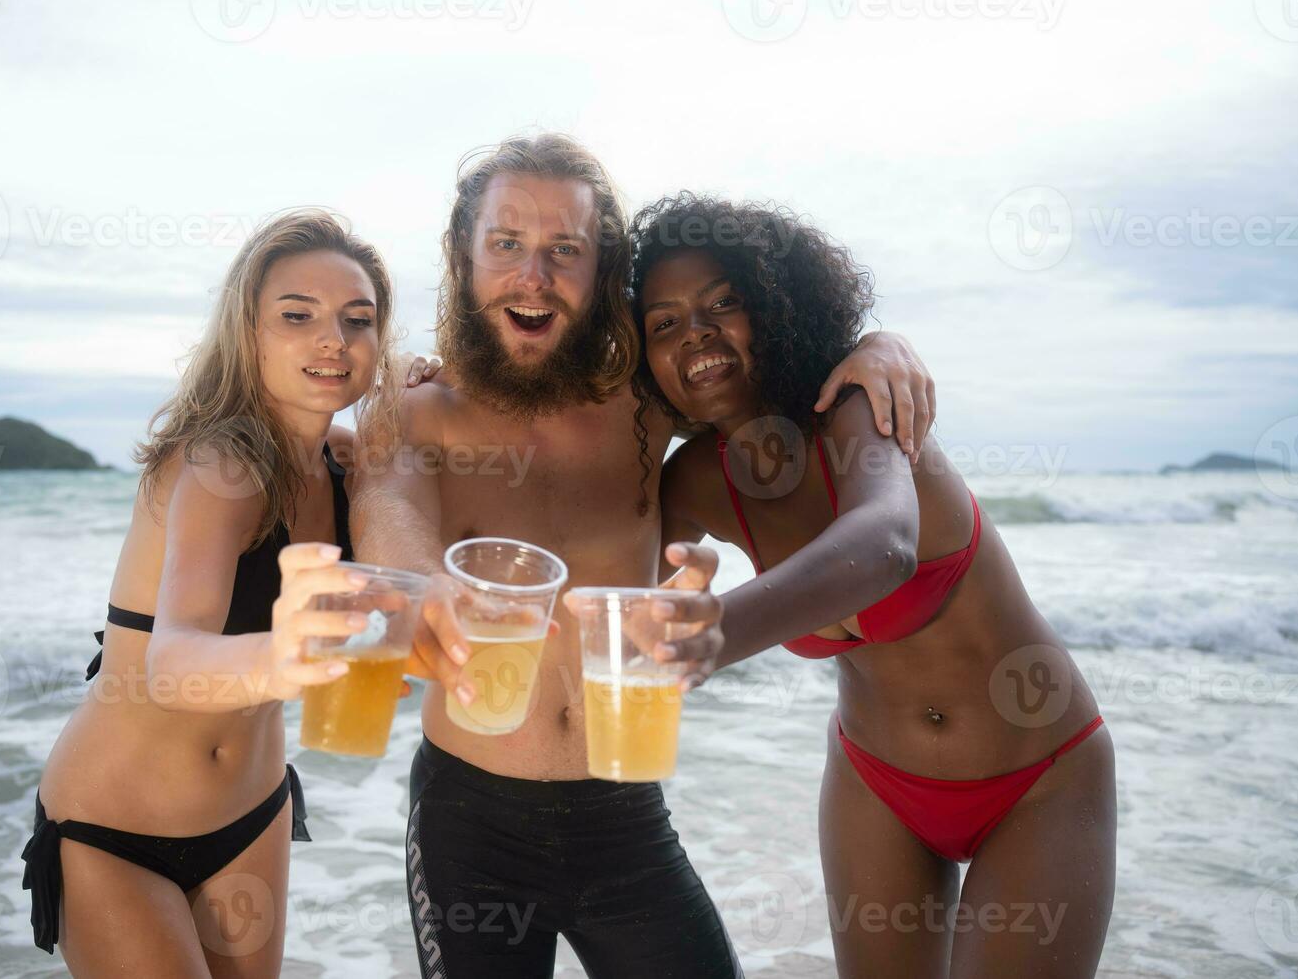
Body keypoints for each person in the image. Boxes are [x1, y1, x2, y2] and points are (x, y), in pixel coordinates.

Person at [351, 134, 935, 978]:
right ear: (463, 258)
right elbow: (387, 504)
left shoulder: (645, 404)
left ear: (602, 273)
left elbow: (767, 370)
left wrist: (877, 345)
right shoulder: (414, 414)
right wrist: (423, 586)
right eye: (506, 245)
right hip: (469, 823)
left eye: (566, 252)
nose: (534, 276)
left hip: (622, 814)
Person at [632, 193, 1115, 979]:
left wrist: (706, 635)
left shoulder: (857, 405)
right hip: (875, 785)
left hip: (1041, 779)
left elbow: (882, 546)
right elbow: (597, 575)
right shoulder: (694, 482)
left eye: (726, 304)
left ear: (780, 308)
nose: (698, 334)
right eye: (664, 324)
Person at [21, 208, 405, 978]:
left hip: (253, 816)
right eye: (297, 316)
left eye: (356, 320)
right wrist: (282, 657)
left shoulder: (345, 462)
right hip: (114, 829)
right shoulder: (219, 463)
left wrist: (428, 391)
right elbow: (173, 657)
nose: (332, 339)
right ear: (248, 332)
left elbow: (431, 490)